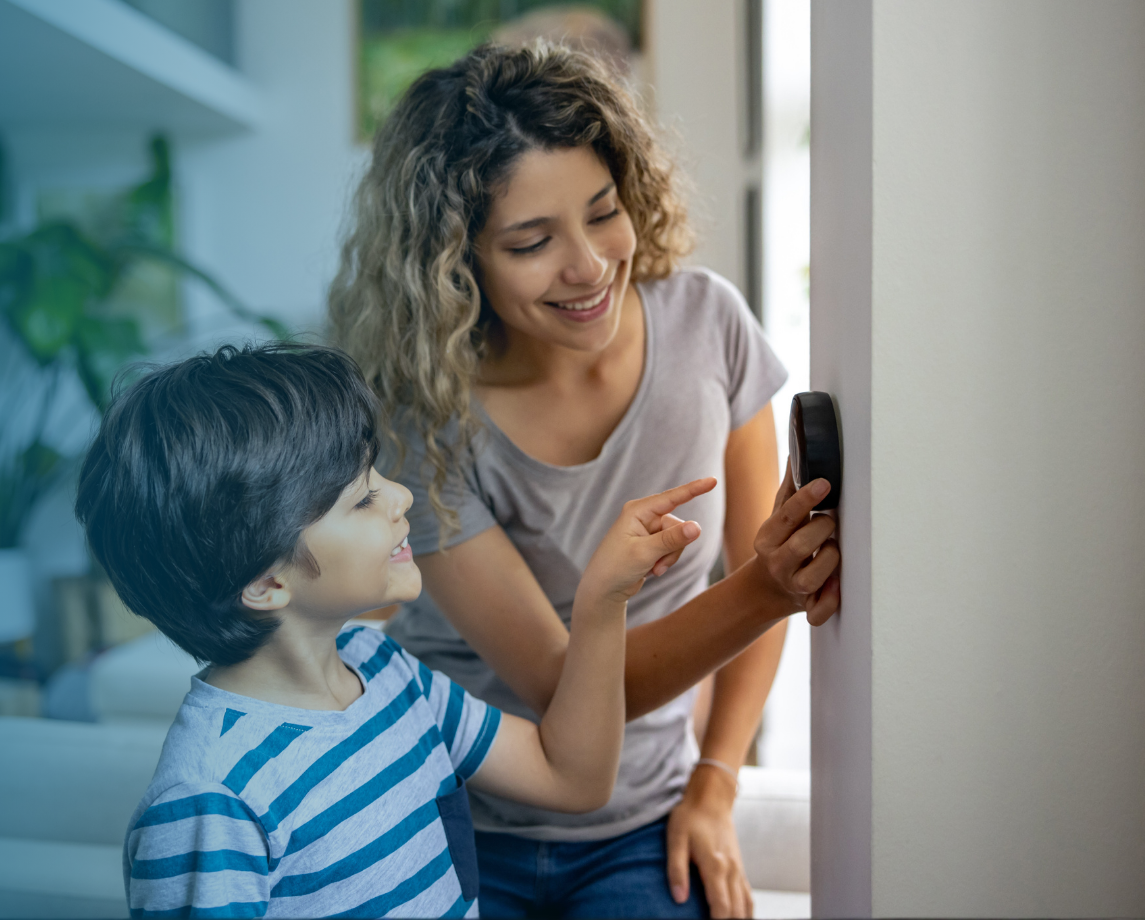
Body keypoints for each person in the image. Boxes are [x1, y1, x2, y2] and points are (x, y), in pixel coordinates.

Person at [328, 42, 841, 919]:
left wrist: (716, 780)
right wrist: (766, 588)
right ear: (456, 262)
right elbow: (564, 688)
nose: (590, 265)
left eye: (603, 213)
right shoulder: (423, 411)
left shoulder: (708, 325)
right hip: (448, 809)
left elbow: (766, 560)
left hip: (640, 823)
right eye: (532, 242)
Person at [75, 343, 717, 918]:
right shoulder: (209, 798)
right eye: (361, 499)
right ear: (266, 583)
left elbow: (572, 778)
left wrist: (602, 601)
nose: (401, 496)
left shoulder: (384, 668)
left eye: (375, 473)